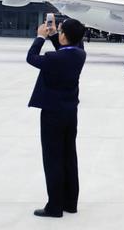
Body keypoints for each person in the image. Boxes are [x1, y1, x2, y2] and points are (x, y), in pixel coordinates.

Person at [26, 19, 87, 218]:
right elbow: (66, 48)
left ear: (64, 36)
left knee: (53, 159)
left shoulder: (54, 58)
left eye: (60, 31)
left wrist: (40, 37)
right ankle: (70, 203)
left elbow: (31, 57)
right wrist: (53, 35)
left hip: (52, 112)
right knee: (69, 156)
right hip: (70, 112)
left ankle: (54, 206)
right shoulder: (80, 54)